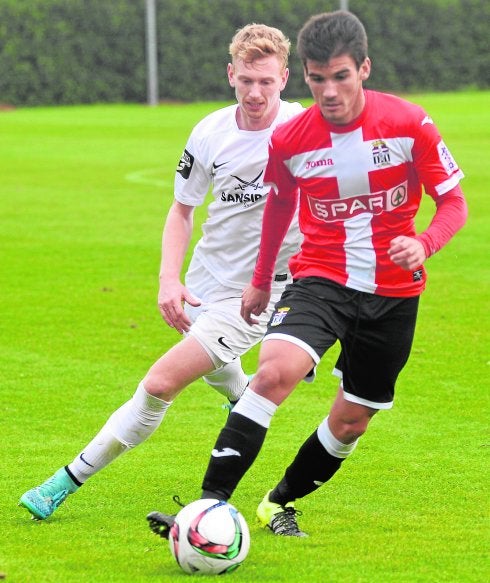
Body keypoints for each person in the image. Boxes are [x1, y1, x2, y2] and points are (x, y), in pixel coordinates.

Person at [150, 10, 468, 538]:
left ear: (363, 69)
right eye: (318, 78)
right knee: (275, 372)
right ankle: (208, 509)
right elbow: (278, 207)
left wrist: (425, 241)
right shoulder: (293, 138)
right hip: (320, 279)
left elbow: (453, 201)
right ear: (306, 75)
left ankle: (278, 503)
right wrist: (258, 281)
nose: (329, 91)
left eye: (340, 76)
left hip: (392, 294)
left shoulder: (410, 123)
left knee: (352, 421)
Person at [19, 23, 303, 521]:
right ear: (230, 75)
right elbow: (181, 210)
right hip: (205, 278)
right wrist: (169, 279)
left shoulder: (305, 130)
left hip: (258, 292)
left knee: (158, 384)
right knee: (212, 358)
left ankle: (66, 480)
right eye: (245, 82)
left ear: (284, 77)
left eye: (267, 82)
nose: (255, 93)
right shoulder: (210, 131)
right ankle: (242, 397)